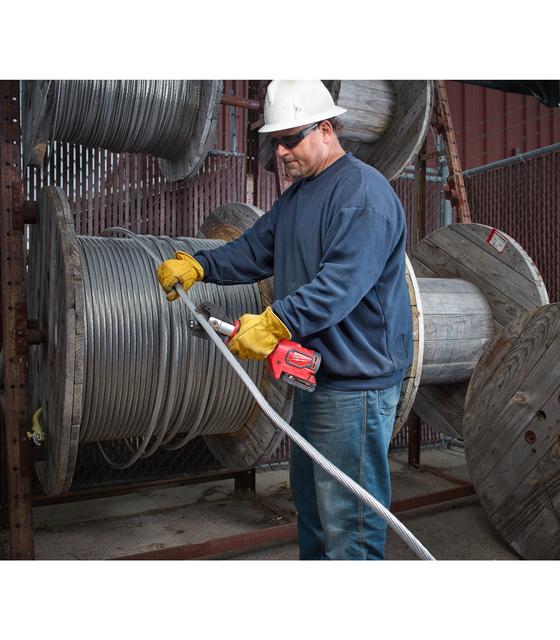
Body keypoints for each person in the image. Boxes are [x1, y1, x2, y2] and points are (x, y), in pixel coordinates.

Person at [157, 80, 413, 560]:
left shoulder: (363, 196)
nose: (280, 152)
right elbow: (255, 250)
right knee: (313, 510)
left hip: (356, 387)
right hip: (316, 377)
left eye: (291, 139)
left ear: (326, 129)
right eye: (275, 141)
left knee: (349, 525)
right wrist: (200, 265)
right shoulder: (299, 197)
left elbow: (340, 285)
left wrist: (275, 323)